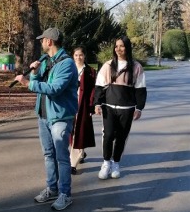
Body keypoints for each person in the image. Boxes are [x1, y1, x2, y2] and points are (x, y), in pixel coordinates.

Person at [14, 27, 78, 210]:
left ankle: (65, 194)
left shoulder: (66, 64)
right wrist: (34, 72)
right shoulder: (47, 61)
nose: (41, 43)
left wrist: (28, 83)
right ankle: (52, 188)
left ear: (49, 41)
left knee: (62, 157)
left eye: (42, 40)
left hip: (59, 117)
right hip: (43, 115)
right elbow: (41, 80)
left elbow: (54, 89)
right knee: (48, 155)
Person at [94, 36, 147, 180]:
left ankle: (116, 163)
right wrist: (97, 103)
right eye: (116, 46)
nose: (118, 49)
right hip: (109, 107)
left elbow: (140, 89)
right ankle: (106, 163)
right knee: (109, 135)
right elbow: (99, 85)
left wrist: (139, 107)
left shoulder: (136, 67)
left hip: (127, 108)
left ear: (127, 48)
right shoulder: (108, 65)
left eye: (122, 46)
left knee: (121, 137)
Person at [70, 46, 96, 175]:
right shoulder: (69, 69)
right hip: (69, 103)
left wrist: (91, 106)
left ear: (84, 56)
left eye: (80, 55)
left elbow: (93, 90)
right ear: (72, 56)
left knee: (78, 132)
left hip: (83, 105)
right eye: (76, 55)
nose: (78, 57)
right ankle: (81, 151)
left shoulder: (90, 71)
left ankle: (72, 164)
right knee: (71, 132)